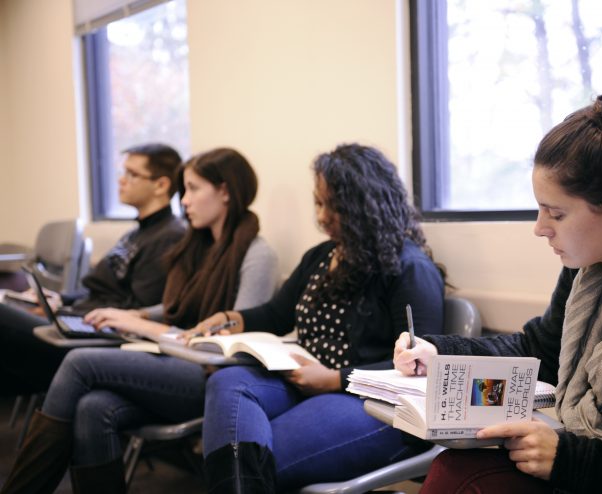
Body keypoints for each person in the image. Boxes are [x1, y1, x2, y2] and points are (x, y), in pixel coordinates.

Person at [394, 85, 602, 494]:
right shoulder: (591, 270)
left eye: (555, 213)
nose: (540, 228)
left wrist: (569, 460)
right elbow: (543, 349)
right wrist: (441, 353)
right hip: (593, 460)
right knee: (458, 469)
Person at [1, 147, 279, 494]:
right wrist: (137, 315)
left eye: (193, 189)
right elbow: (179, 306)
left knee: (78, 362)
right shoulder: (204, 246)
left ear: (224, 191)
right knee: (92, 407)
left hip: (214, 379)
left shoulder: (257, 253)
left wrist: (145, 326)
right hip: (178, 358)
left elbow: (231, 345)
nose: (185, 201)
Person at [192, 143, 446, 492]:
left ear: (366, 207)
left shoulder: (409, 268)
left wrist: (333, 378)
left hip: (372, 400)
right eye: (318, 202)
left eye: (335, 206)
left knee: (254, 458)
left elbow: (421, 369)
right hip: (303, 379)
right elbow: (276, 315)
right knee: (227, 381)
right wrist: (230, 318)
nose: (322, 216)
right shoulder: (322, 256)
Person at [0, 143, 186, 396]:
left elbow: (134, 309)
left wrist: (69, 312)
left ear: (161, 185)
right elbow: (100, 290)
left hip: (96, 339)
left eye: (132, 174)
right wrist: (62, 300)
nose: (121, 180)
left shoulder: (169, 237)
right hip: (80, 322)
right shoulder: (136, 233)